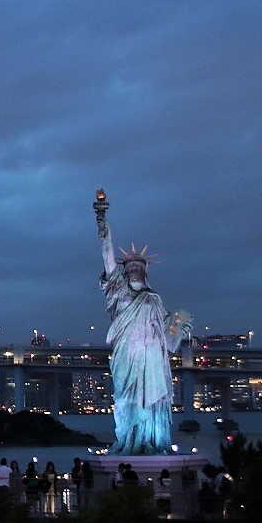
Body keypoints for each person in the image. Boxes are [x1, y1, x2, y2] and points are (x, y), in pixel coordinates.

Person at [94, 189, 193, 455]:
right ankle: (128, 440)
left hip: (151, 356)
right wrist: (102, 219)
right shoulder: (119, 290)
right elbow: (106, 253)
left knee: (152, 399)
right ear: (123, 271)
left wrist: (180, 327)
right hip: (127, 352)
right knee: (126, 398)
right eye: (130, 265)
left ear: (145, 270)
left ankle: (152, 440)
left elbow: (167, 339)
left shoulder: (154, 299)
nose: (134, 267)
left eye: (139, 265)